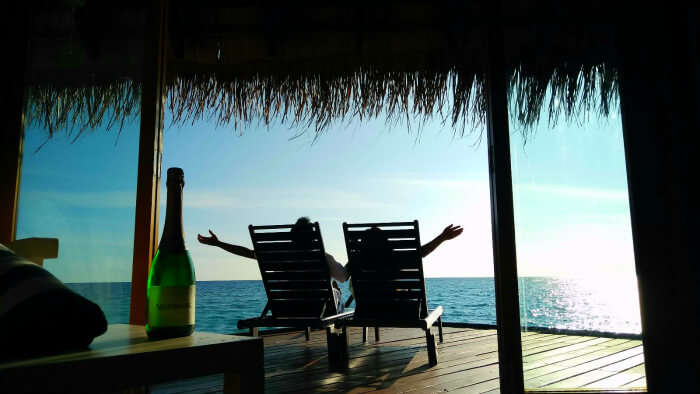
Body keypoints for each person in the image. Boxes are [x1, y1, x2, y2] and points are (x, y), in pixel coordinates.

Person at [197, 217, 463, 313]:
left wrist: (219, 244)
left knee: (334, 284)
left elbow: (248, 252)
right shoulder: (322, 258)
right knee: (334, 284)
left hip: (289, 306)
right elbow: (418, 254)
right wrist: (442, 237)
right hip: (326, 308)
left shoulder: (283, 258)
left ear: (291, 239)